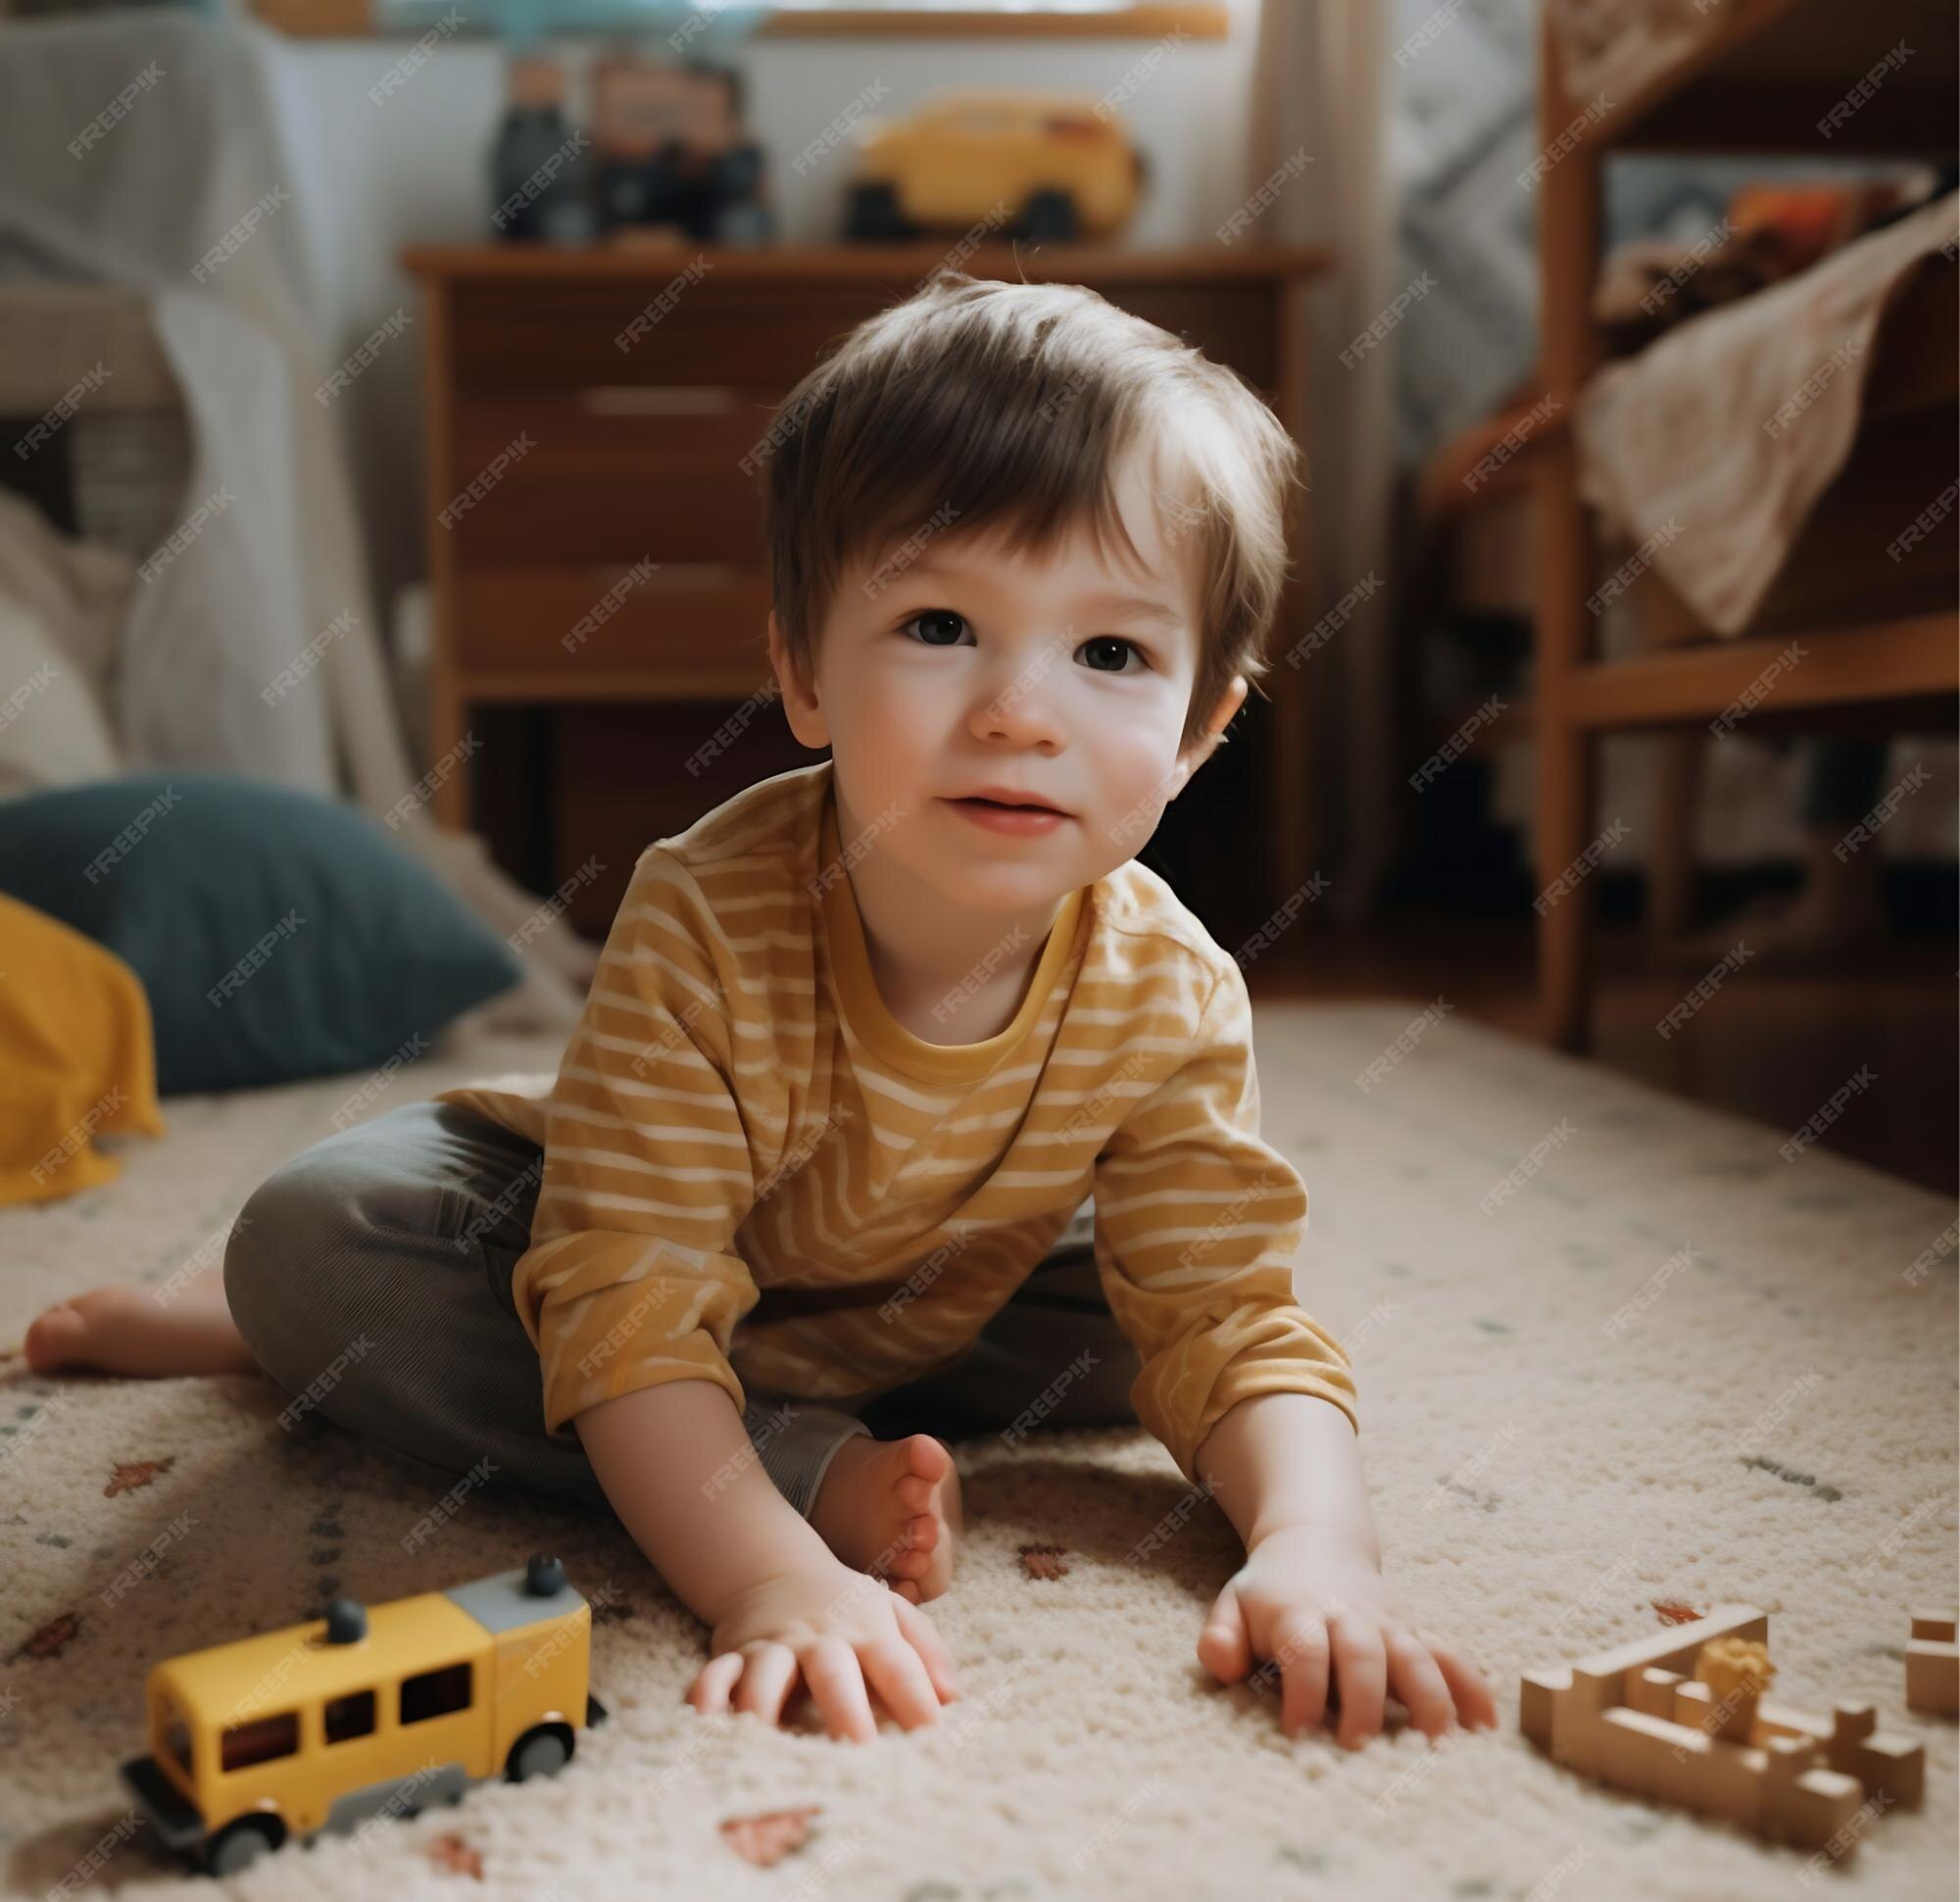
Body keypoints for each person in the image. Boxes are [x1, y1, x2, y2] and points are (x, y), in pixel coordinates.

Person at [26, 269, 1496, 1750]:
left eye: (1109, 653)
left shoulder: (1170, 991)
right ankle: (736, 1441)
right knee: (317, 1244)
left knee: (1153, 1326)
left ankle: (770, 1405)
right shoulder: (708, 917)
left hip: (944, 1272)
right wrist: (773, 1572)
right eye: (939, 624)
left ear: (1197, 731)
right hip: (626, 1225)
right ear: (801, 669)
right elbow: (630, 1286)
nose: (1020, 712)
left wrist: (1315, 1548)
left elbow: (1231, 1318)